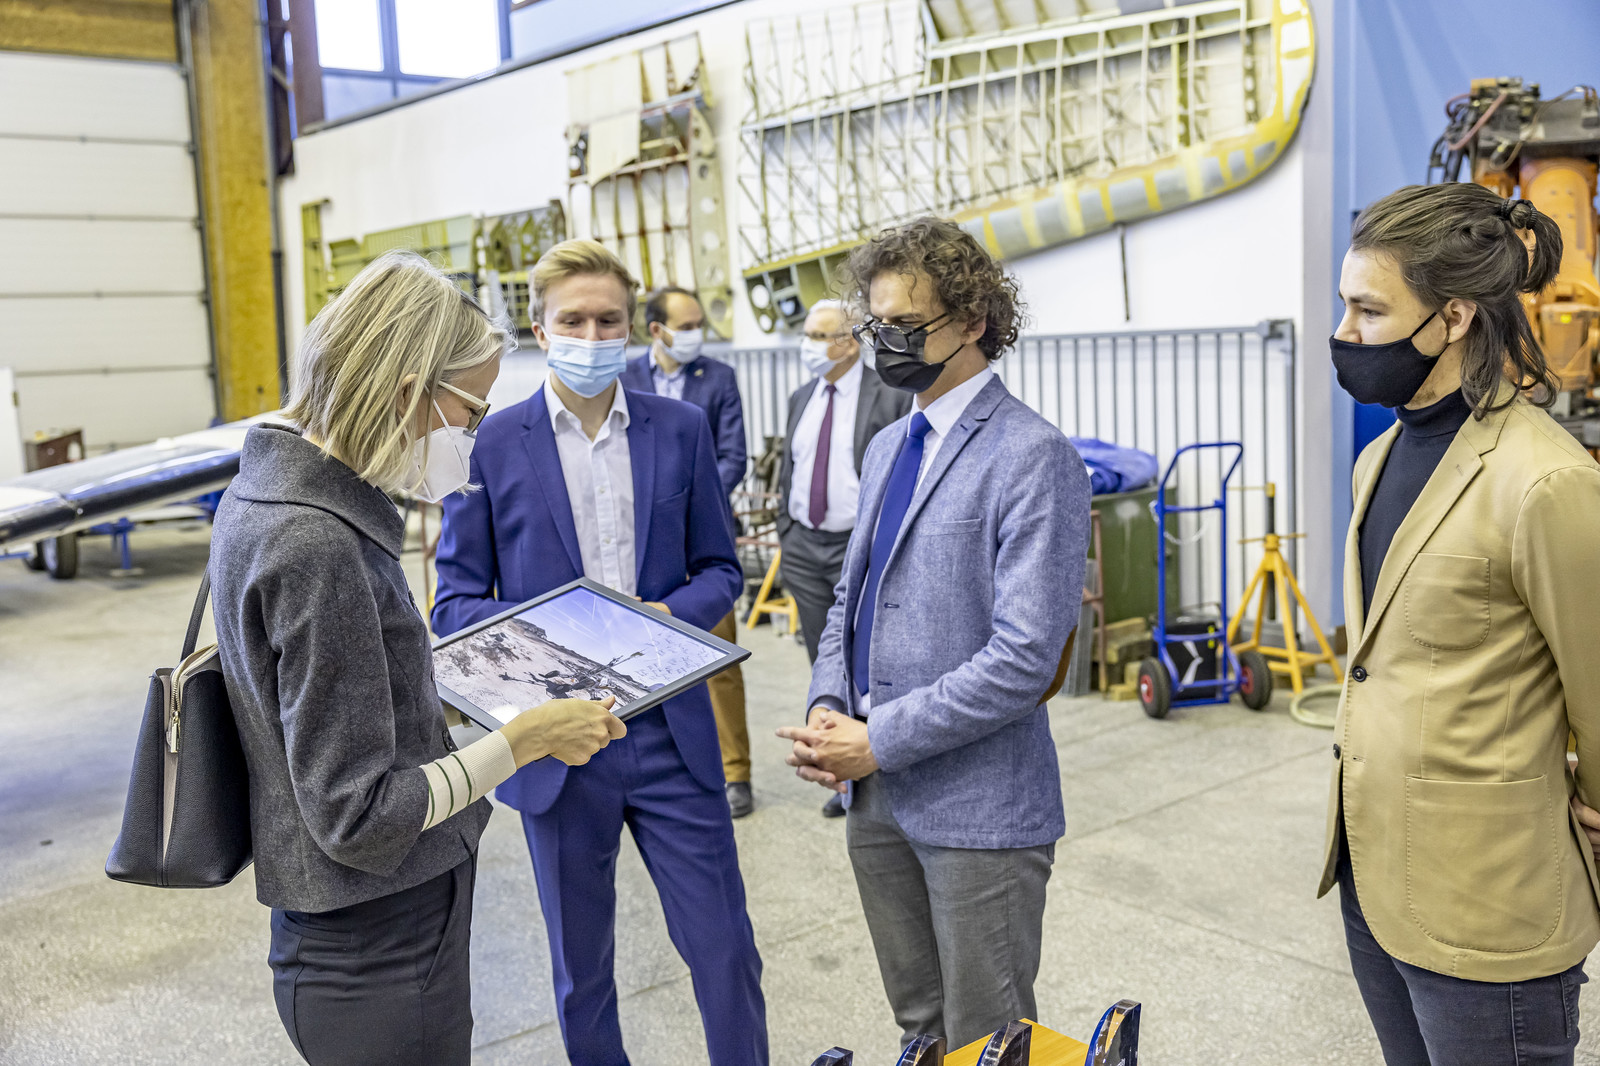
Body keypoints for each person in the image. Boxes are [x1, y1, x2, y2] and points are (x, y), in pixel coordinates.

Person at [209, 251, 624, 1066]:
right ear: (407, 392)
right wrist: (523, 741)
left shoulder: (274, 495)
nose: (474, 434)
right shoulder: (318, 545)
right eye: (470, 411)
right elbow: (358, 816)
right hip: (379, 949)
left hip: (358, 936)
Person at [432, 241, 768, 1066]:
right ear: (541, 329)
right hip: (558, 748)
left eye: (608, 320)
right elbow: (455, 605)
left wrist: (664, 617)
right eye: (573, 320)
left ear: (633, 327)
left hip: (672, 737)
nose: (591, 335)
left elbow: (721, 569)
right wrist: (565, 639)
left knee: (726, 951)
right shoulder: (488, 445)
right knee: (582, 974)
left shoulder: (680, 429)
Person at [777, 217, 1091, 1048]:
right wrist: (826, 706)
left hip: (977, 806)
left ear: (975, 319)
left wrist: (877, 738)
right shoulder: (889, 445)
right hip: (875, 799)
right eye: (876, 326)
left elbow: (1025, 659)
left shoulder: (1032, 455)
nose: (886, 344)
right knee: (918, 1027)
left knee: (985, 1038)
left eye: (907, 326)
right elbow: (850, 600)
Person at [1320, 183, 1600, 1066]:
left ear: (1453, 317)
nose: (1345, 332)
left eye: (1369, 310)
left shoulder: (1546, 481)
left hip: (1487, 902)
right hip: (1375, 875)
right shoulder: (1378, 459)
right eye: (1344, 305)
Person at [621, 287, 756, 817]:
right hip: (641, 544)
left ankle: (736, 772)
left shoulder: (718, 378)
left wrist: (683, 502)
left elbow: (733, 457)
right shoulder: (624, 376)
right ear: (656, 330)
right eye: (688, 324)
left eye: (700, 322)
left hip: (703, 538)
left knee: (718, 660)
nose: (698, 332)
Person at [775, 298, 911, 818]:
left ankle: (876, 759)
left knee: (871, 663)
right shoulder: (801, 397)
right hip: (805, 546)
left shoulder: (890, 396)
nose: (807, 346)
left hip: (862, 548)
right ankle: (843, 776)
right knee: (825, 662)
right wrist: (788, 532)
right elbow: (791, 469)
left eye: (818, 336)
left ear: (850, 342)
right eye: (807, 334)